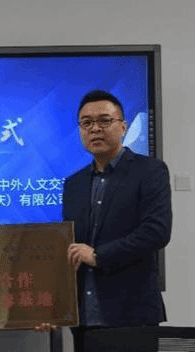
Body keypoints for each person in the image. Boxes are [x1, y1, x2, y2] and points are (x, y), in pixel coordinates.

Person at [39, 89, 172, 351]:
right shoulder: (74, 184)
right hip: (85, 319)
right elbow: (70, 249)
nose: (95, 129)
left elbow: (156, 232)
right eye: (86, 123)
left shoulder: (150, 171)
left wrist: (98, 255)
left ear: (123, 126)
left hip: (132, 315)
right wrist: (54, 307)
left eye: (104, 121)